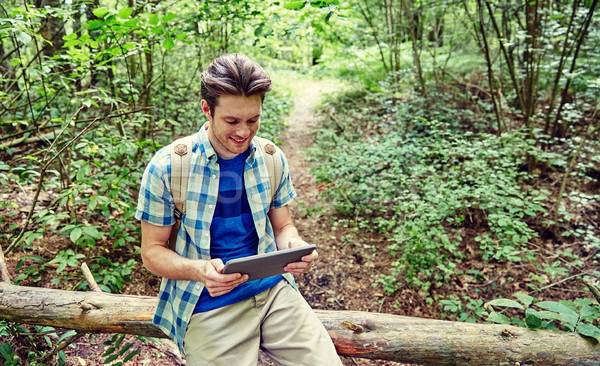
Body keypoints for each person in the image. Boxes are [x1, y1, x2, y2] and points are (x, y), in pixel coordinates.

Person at [135, 53, 342, 365]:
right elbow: (151, 252)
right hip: (209, 304)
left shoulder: (271, 158)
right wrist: (199, 270)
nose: (244, 132)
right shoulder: (169, 167)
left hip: (274, 293)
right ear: (207, 109)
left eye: (253, 120)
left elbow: (283, 227)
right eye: (232, 121)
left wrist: (294, 247)